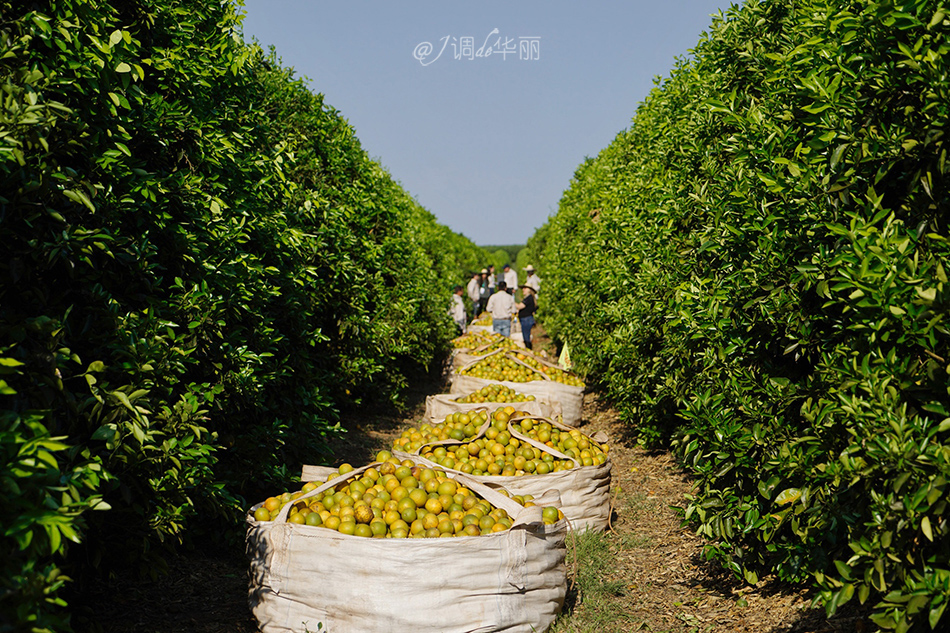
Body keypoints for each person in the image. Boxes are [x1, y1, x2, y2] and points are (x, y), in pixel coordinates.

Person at [516, 285, 538, 349]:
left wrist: (512, 302)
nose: (523, 289)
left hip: (526, 319)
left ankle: (529, 350)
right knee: (526, 336)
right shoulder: (529, 298)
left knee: (526, 337)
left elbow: (520, 306)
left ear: (529, 290)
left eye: (525, 288)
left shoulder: (528, 298)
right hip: (527, 319)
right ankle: (529, 349)